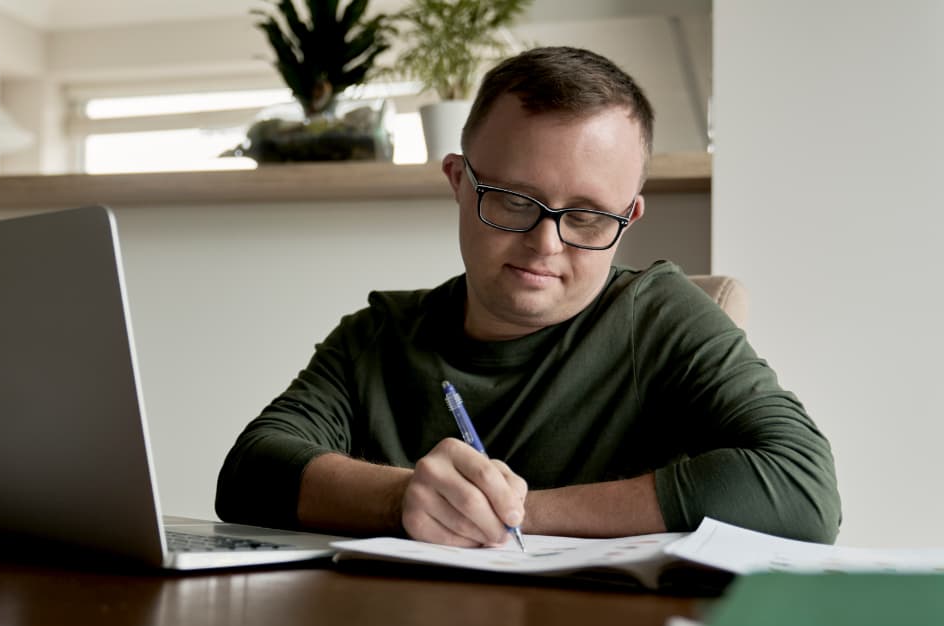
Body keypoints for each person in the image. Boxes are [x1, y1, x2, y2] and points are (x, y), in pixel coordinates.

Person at [215, 46, 841, 547]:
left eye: (589, 216)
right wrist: (403, 498)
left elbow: (802, 488)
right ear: (459, 182)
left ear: (631, 216)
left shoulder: (659, 316)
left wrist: (515, 513)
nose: (546, 244)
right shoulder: (375, 336)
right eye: (515, 200)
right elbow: (250, 473)